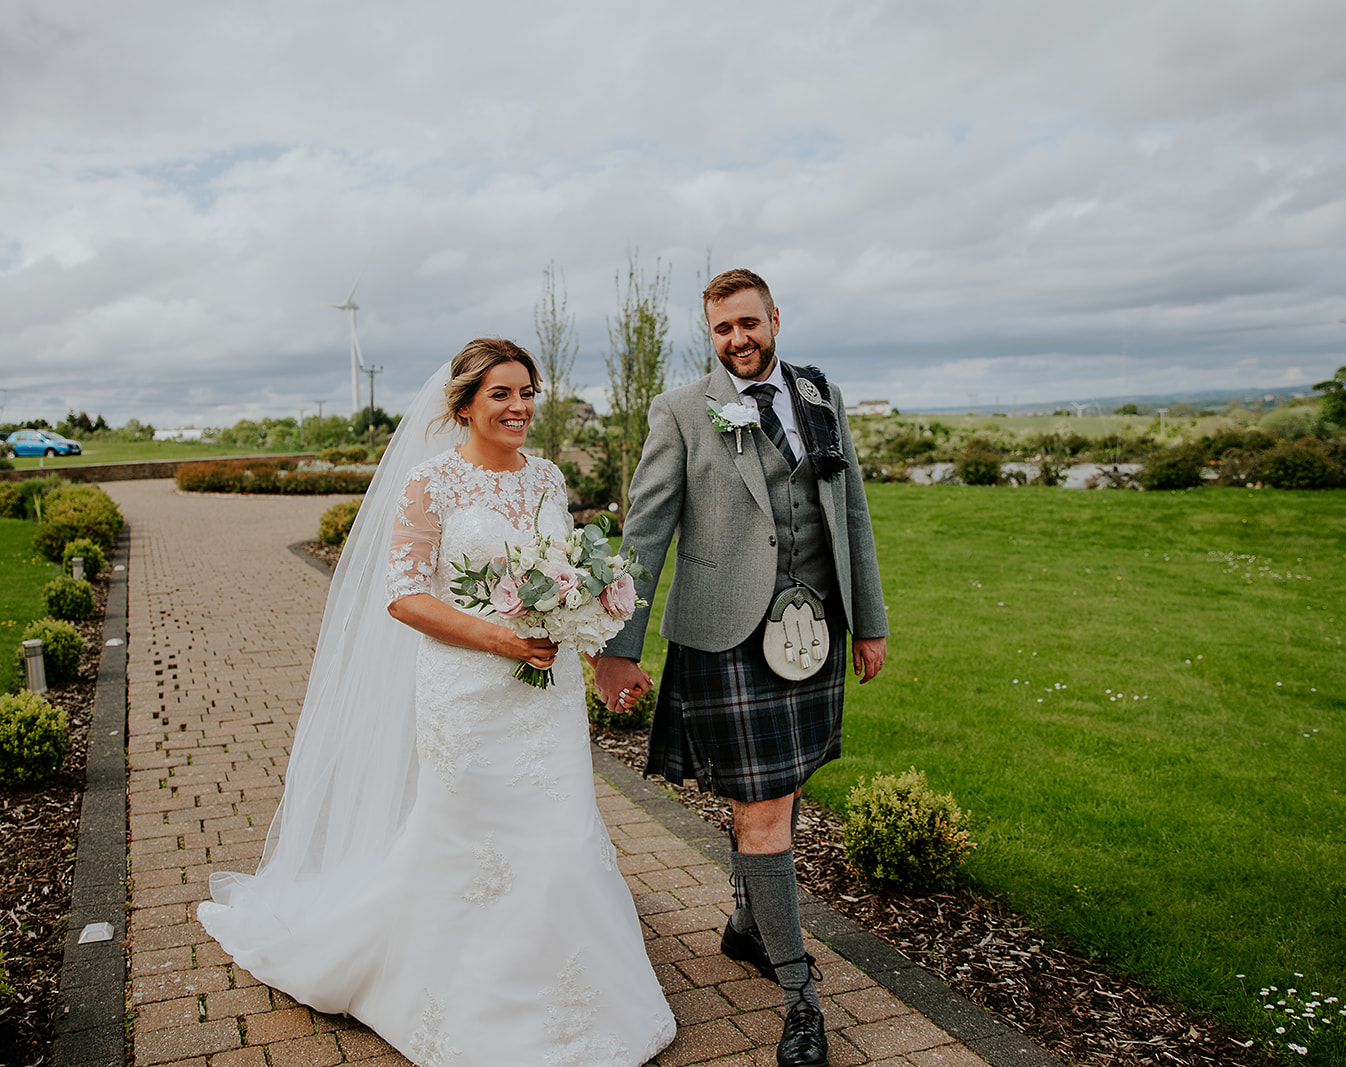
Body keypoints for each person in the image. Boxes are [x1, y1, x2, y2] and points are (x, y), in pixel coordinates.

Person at [199, 339, 675, 1067]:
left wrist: (593, 642)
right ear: (463, 405)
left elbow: (563, 578)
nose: (520, 407)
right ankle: (464, 999)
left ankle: (574, 994)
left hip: (547, 693)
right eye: (502, 395)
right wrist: (499, 640)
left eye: (527, 393)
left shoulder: (546, 478)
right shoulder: (432, 484)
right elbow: (404, 594)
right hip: (467, 693)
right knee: (473, 839)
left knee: (560, 833)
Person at [593, 269, 888, 1067]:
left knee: (780, 792)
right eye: (722, 329)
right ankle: (802, 998)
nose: (738, 340)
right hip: (727, 636)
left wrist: (870, 621)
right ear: (710, 333)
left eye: (748, 323)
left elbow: (850, 507)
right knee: (763, 813)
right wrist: (619, 646)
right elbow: (645, 532)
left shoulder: (821, 395)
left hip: (814, 636)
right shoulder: (681, 411)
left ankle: (749, 926)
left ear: (775, 319)